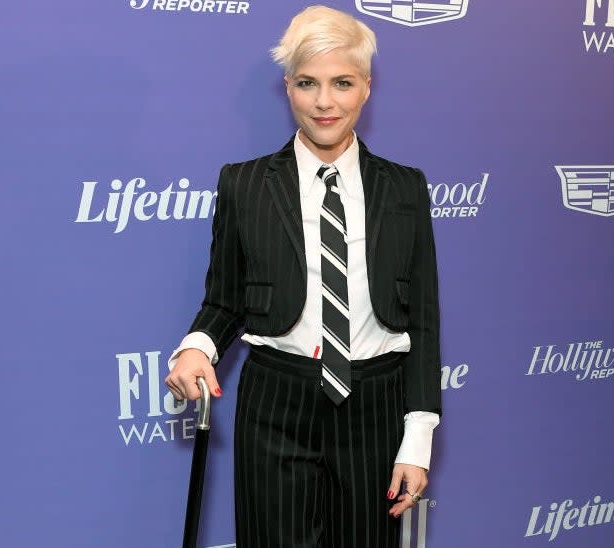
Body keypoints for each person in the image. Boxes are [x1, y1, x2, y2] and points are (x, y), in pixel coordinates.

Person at [165, 5, 441, 547]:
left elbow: (424, 322)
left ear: (366, 87)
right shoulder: (243, 185)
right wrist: (196, 347)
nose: (324, 101)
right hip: (276, 403)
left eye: (342, 83)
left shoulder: (405, 188)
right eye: (307, 83)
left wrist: (418, 439)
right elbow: (224, 301)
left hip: (375, 407)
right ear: (287, 88)